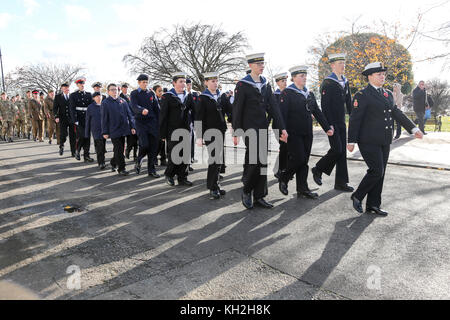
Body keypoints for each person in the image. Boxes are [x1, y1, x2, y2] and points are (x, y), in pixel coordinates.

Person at [347, 62, 424, 216]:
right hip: (367, 140)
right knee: (376, 171)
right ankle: (358, 195)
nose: (382, 77)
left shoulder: (387, 94)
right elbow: (355, 119)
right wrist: (351, 140)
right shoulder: (362, 95)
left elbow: (396, 113)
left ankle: (373, 205)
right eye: (378, 74)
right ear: (369, 76)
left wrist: (414, 128)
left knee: (381, 173)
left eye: (383, 74)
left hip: (384, 140)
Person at [232, 53, 288, 210]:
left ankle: (259, 195)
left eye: (263, 63)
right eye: (258, 64)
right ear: (250, 66)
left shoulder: (265, 83)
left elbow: (274, 107)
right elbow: (237, 109)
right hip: (249, 127)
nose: (261, 66)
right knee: (256, 161)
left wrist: (282, 128)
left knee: (263, 162)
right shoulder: (243, 85)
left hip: (262, 126)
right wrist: (236, 131)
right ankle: (247, 190)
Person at [278, 66, 334, 199]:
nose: (304, 78)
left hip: (307, 132)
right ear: (294, 78)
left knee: (304, 161)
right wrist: (282, 131)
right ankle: (284, 177)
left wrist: (327, 128)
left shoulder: (309, 93)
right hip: (293, 132)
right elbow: (282, 115)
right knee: (299, 158)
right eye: (301, 76)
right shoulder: (287, 93)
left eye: (305, 75)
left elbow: (317, 112)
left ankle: (303, 189)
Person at [312, 53, 354, 192]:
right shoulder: (328, 82)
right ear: (332, 65)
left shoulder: (345, 81)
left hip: (342, 121)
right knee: (337, 149)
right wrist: (328, 124)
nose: (343, 65)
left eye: (344, 63)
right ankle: (318, 169)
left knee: (342, 153)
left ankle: (341, 183)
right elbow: (325, 106)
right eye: (340, 63)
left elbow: (349, 102)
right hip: (332, 122)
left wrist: (353, 118)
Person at [195, 72, 228, 200]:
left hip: (221, 131)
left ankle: (215, 184)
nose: (215, 83)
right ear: (206, 83)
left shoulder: (222, 96)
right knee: (215, 159)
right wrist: (199, 136)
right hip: (209, 132)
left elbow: (230, 110)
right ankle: (213, 187)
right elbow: (199, 117)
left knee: (219, 159)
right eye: (212, 81)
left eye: (216, 80)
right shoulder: (203, 98)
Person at [159, 72, 195, 187]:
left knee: (185, 155)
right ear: (174, 83)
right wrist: (163, 134)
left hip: (186, 130)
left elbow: (195, 112)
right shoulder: (167, 96)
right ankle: (169, 174)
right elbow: (163, 116)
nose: (183, 84)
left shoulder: (188, 96)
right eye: (181, 81)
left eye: (184, 81)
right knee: (174, 155)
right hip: (172, 131)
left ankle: (182, 177)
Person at [130, 74, 161, 178]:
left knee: (153, 147)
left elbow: (157, 108)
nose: (145, 84)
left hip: (152, 122)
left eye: (146, 82)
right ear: (139, 83)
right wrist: (141, 110)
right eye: (143, 82)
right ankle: (139, 159)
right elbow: (134, 106)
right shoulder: (134, 93)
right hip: (140, 122)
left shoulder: (151, 93)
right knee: (145, 145)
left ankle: (151, 170)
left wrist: (160, 121)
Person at [101, 83, 136, 176]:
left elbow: (130, 115)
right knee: (119, 149)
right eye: (112, 90)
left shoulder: (123, 101)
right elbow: (104, 119)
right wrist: (105, 131)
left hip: (124, 129)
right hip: (113, 129)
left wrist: (132, 126)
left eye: (116, 89)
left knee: (119, 149)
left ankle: (113, 162)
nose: (114, 91)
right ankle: (122, 168)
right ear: (108, 92)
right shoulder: (105, 103)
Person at [70, 77, 94, 162]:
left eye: (83, 84)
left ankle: (86, 155)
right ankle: (78, 150)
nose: (82, 85)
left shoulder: (89, 94)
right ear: (77, 85)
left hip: (87, 118)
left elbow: (91, 107)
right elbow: (72, 109)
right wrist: (75, 120)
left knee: (87, 137)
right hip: (79, 118)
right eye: (80, 84)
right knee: (81, 136)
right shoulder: (73, 95)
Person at [272, 72, 289, 181]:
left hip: (288, 125)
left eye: (286, 80)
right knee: (284, 147)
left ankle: (282, 169)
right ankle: (279, 170)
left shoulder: (289, 93)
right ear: (277, 83)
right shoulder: (274, 95)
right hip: (278, 126)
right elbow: (273, 112)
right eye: (282, 81)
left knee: (286, 148)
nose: (285, 83)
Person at [85, 92, 106, 170]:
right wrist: (87, 133)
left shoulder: (105, 105)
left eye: (99, 96)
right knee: (99, 146)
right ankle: (101, 163)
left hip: (105, 129)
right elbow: (88, 120)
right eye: (96, 96)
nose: (98, 97)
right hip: (96, 130)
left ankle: (103, 160)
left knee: (103, 147)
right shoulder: (90, 107)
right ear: (93, 98)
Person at [54, 83, 76, 157]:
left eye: (67, 88)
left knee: (73, 136)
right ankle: (61, 145)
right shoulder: (58, 97)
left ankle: (73, 151)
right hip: (62, 118)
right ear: (62, 89)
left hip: (71, 119)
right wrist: (56, 116)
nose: (67, 89)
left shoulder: (72, 96)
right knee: (63, 134)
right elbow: (55, 108)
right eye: (65, 88)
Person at [120, 82, 139, 162]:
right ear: (121, 88)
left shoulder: (129, 96)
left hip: (133, 119)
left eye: (126, 87)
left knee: (136, 139)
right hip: (126, 120)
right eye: (124, 87)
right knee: (130, 140)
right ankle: (127, 150)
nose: (125, 89)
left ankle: (135, 155)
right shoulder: (119, 97)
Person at [153, 84, 167, 166]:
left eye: (162, 90)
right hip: (156, 124)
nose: (161, 92)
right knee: (157, 143)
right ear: (155, 92)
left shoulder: (164, 100)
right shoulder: (153, 101)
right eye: (159, 91)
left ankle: (163, 159)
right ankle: (154, 158)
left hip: (163, 124)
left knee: (163, 143)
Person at [186, 78, 198, 170]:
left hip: (192, 121)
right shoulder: (182, 94)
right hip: (184, 121)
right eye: (187, 84)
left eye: (190, 84)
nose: (189, 86)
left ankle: (191, 159)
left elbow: (196, 109)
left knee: (191, 142)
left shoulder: (194, 94)